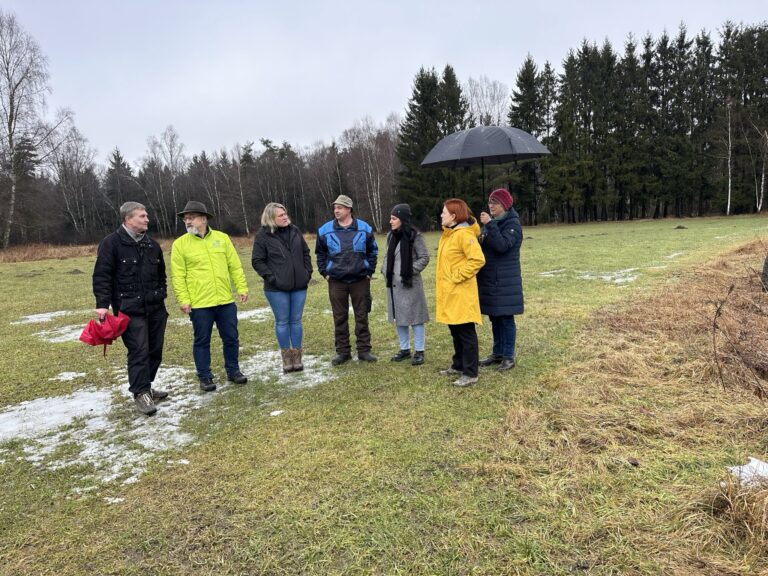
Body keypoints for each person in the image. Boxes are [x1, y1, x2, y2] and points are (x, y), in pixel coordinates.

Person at [92, 202, 168, 416]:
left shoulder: (152, 245)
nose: (147, 219)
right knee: (139, 351)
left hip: (156, 307)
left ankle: (147, 386)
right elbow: (102, 275)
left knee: (155, 350)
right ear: (128, 219)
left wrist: (161, 293)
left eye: (147, 215)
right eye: (142, 216)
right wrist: (102, 304)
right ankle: (140, 393)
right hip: (129, 309)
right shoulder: (111, 244)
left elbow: (162, 274)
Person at [170, 201, 249, 392]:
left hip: (225, 300)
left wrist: (242, 287)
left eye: (191, 217)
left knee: (231, 337)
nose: (187, 221)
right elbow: (178, 275)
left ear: (204, 219)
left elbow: (234, 266)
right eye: (185, 218)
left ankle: (233, 370)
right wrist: (184, 300)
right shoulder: (180, 244)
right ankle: (205, 377)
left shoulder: (222, 239)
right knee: (202, 340)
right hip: (199, 304)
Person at [316, 194, 378, 365]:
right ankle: (343, 352)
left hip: (360, 280)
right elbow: (320, 254)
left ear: (349, 209)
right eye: (335, 207)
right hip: (336, 280)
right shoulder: (324, 230)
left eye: (340, 207)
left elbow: (373, 251)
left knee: (362, 315)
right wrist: (325, 273)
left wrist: (368, 271)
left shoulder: (365, 228)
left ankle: (364, 350)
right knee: (339, 317)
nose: (336, 210)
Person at [251, 202, 313, 373]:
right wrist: (272, 278)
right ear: (271, 218)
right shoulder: (263, 236)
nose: (285, 217)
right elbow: (257, 261)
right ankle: (287, 358)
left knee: (296, 321)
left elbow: (305, 252)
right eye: (280, 215)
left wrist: (307, 273)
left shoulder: (295, 230)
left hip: (299, 286)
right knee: (283, 322)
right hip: (276, 289)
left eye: (285, 214)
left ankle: (297, 356)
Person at [436, 198, 485, 387]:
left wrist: (457, 276)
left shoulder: (464, 235)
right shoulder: (449, 234)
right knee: (455, 330)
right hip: (450, 293)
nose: (441, 215)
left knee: (465, 332)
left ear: (454, 216)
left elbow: (477, 260)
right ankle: (458, 365)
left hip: (461, 293)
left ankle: (470, 372)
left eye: (444, 212)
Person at [478, 188, 524, 371]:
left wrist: (490, 225)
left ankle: (508, 356)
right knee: (494, 317)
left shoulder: (512, 225)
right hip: (490, 278)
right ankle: (497, 353)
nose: (491, 206)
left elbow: (502, 246)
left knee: (506, 319)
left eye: (495, 203)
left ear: (504, 205)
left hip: (505, 280)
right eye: (489, 202)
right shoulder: (493, 223)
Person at [381, 203, 430, 366]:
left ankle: (419, 351)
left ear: (402, 219)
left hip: (410, 285)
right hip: (393, 286)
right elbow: (388, 256)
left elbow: (424, 258)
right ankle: (404, 349)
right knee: (399, 318)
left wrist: (408, 270)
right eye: (391, 218)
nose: (391, 221)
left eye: (394, 218)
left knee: (416, 318)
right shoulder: (391, 236)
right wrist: (384, 269)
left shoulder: (415, 236)